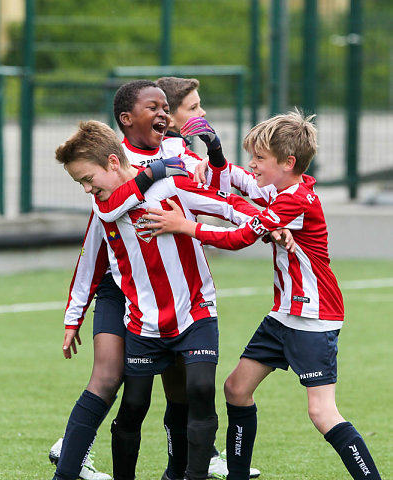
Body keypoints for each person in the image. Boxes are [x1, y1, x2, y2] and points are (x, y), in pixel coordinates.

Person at [143, 110, 382, 480]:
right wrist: (217, 153)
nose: (253, 165)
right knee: (236, 389)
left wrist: (185, 225)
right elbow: (237, 183)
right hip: (283, 314)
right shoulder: (280, 189)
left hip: (313, 317)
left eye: (260, 158)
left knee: (322, 413)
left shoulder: (295, 200)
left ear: (288, 163)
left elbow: (240, 238)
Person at [54, 119, 271, 480]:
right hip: (142, 319)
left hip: (195, 309)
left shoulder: (169, 184)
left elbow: (228, 204)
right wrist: (73, 317)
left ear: (111, 161)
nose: (87, 190)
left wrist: (269, 222)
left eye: (88, 179)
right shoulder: (105, 207)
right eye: (81, 184)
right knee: (135, 404)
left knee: (199, 390)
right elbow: (88, 262)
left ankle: (187, 475)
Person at [156, 75, 262, 479]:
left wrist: (214, 152)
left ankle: (182, 465)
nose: (202, 114)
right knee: (123, 385)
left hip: (179, 283)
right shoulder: (161, 155)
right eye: (194, 108)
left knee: (183, 389)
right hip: (137, 286)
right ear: (169, 115)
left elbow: (223, 183)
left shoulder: (181, 151)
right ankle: (76, 441)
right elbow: (216, 192)